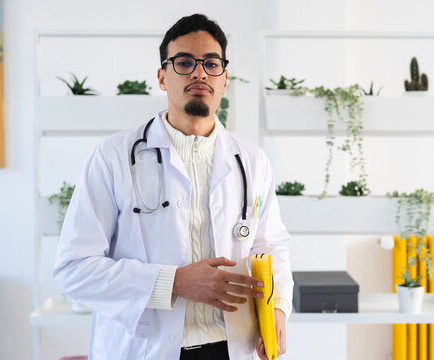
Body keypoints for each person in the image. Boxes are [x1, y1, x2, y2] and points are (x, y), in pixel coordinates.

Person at [53, 13, 293, 360]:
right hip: (146, 349)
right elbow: (73, 269)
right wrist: (174, 281)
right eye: (184, 62)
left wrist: (279, 307)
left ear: (225, 79)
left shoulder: (252, 162)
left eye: (211, 63)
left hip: (232, 347)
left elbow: (272, 247)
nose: (199, 72)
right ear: (162, 77)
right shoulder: (113, 157)